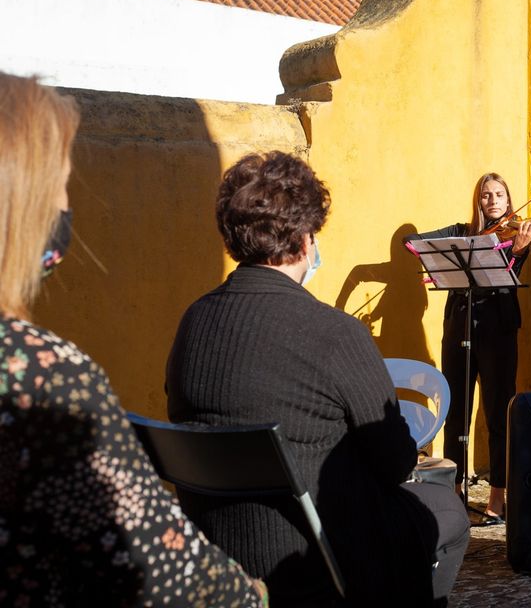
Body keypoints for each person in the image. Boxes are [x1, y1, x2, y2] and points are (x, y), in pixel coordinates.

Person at [0, 73, 266, 606]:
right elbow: (166, 577)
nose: (65, 206)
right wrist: (255, 594)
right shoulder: (45, 378)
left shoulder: (196, 317)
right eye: (60, 186)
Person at [165, 151, 469, 607]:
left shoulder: (194, 320)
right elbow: (394, 461)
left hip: (219, 549)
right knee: (447, 510)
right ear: (305, 239)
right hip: (318, 561)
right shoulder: (334, 332)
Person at [406, 172, 531, 524]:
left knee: (498, 412)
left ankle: (498, 496)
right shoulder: (461, 232)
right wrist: (465, 246)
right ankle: (454, 491)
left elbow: (508, 276)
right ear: (478, 200)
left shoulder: (517, 234)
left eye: (499, 195)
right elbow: (412, 241)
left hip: (498, 329)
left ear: (508, 201)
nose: (492, 201)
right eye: (485, 195)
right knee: (456, 411)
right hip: (459, 325)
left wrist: (518, 251)